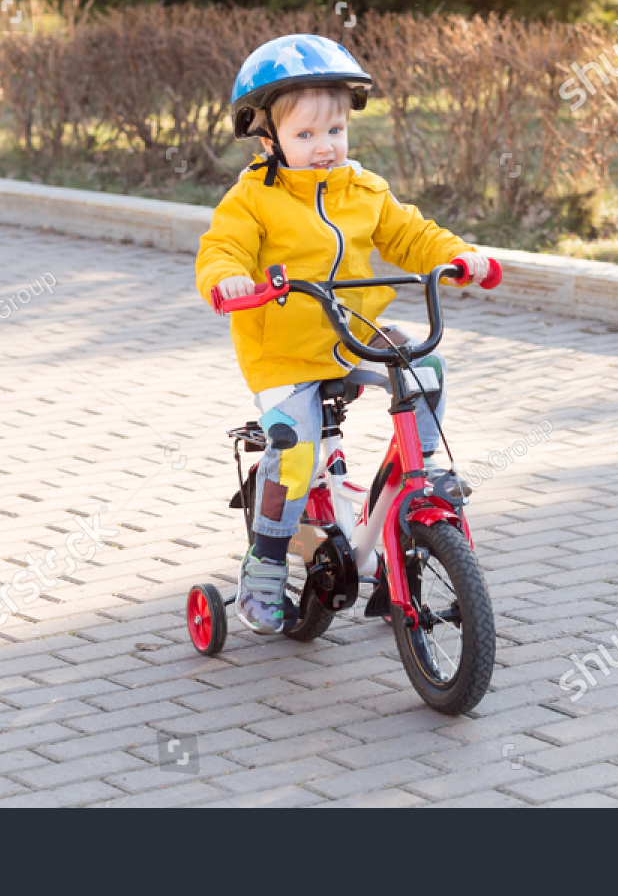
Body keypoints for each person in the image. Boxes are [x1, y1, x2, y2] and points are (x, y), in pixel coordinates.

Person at [195, 33, 490, 633]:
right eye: (305, 136)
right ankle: (267, 561)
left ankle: (413, 480)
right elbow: (222, 247)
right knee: (296, 451)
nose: (325, 147)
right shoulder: (252, 200)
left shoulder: (364, 189)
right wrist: (225, 278)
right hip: (285, 354)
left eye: (334, 132)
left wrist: (460, 256)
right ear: (267, 137)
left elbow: (412, 235)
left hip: (352, 331)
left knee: (424, 368)